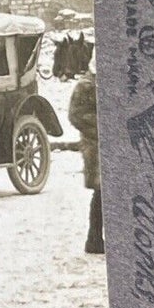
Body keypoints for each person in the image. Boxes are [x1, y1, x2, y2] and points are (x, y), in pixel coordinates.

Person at [68, 66, 103, 254]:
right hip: (94, 146)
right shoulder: (86, 85)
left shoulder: (105, 82)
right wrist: (102, 128)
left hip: (107, 145)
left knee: (107, 194)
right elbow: (75, 115)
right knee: (101, 193)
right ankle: (94, 240)